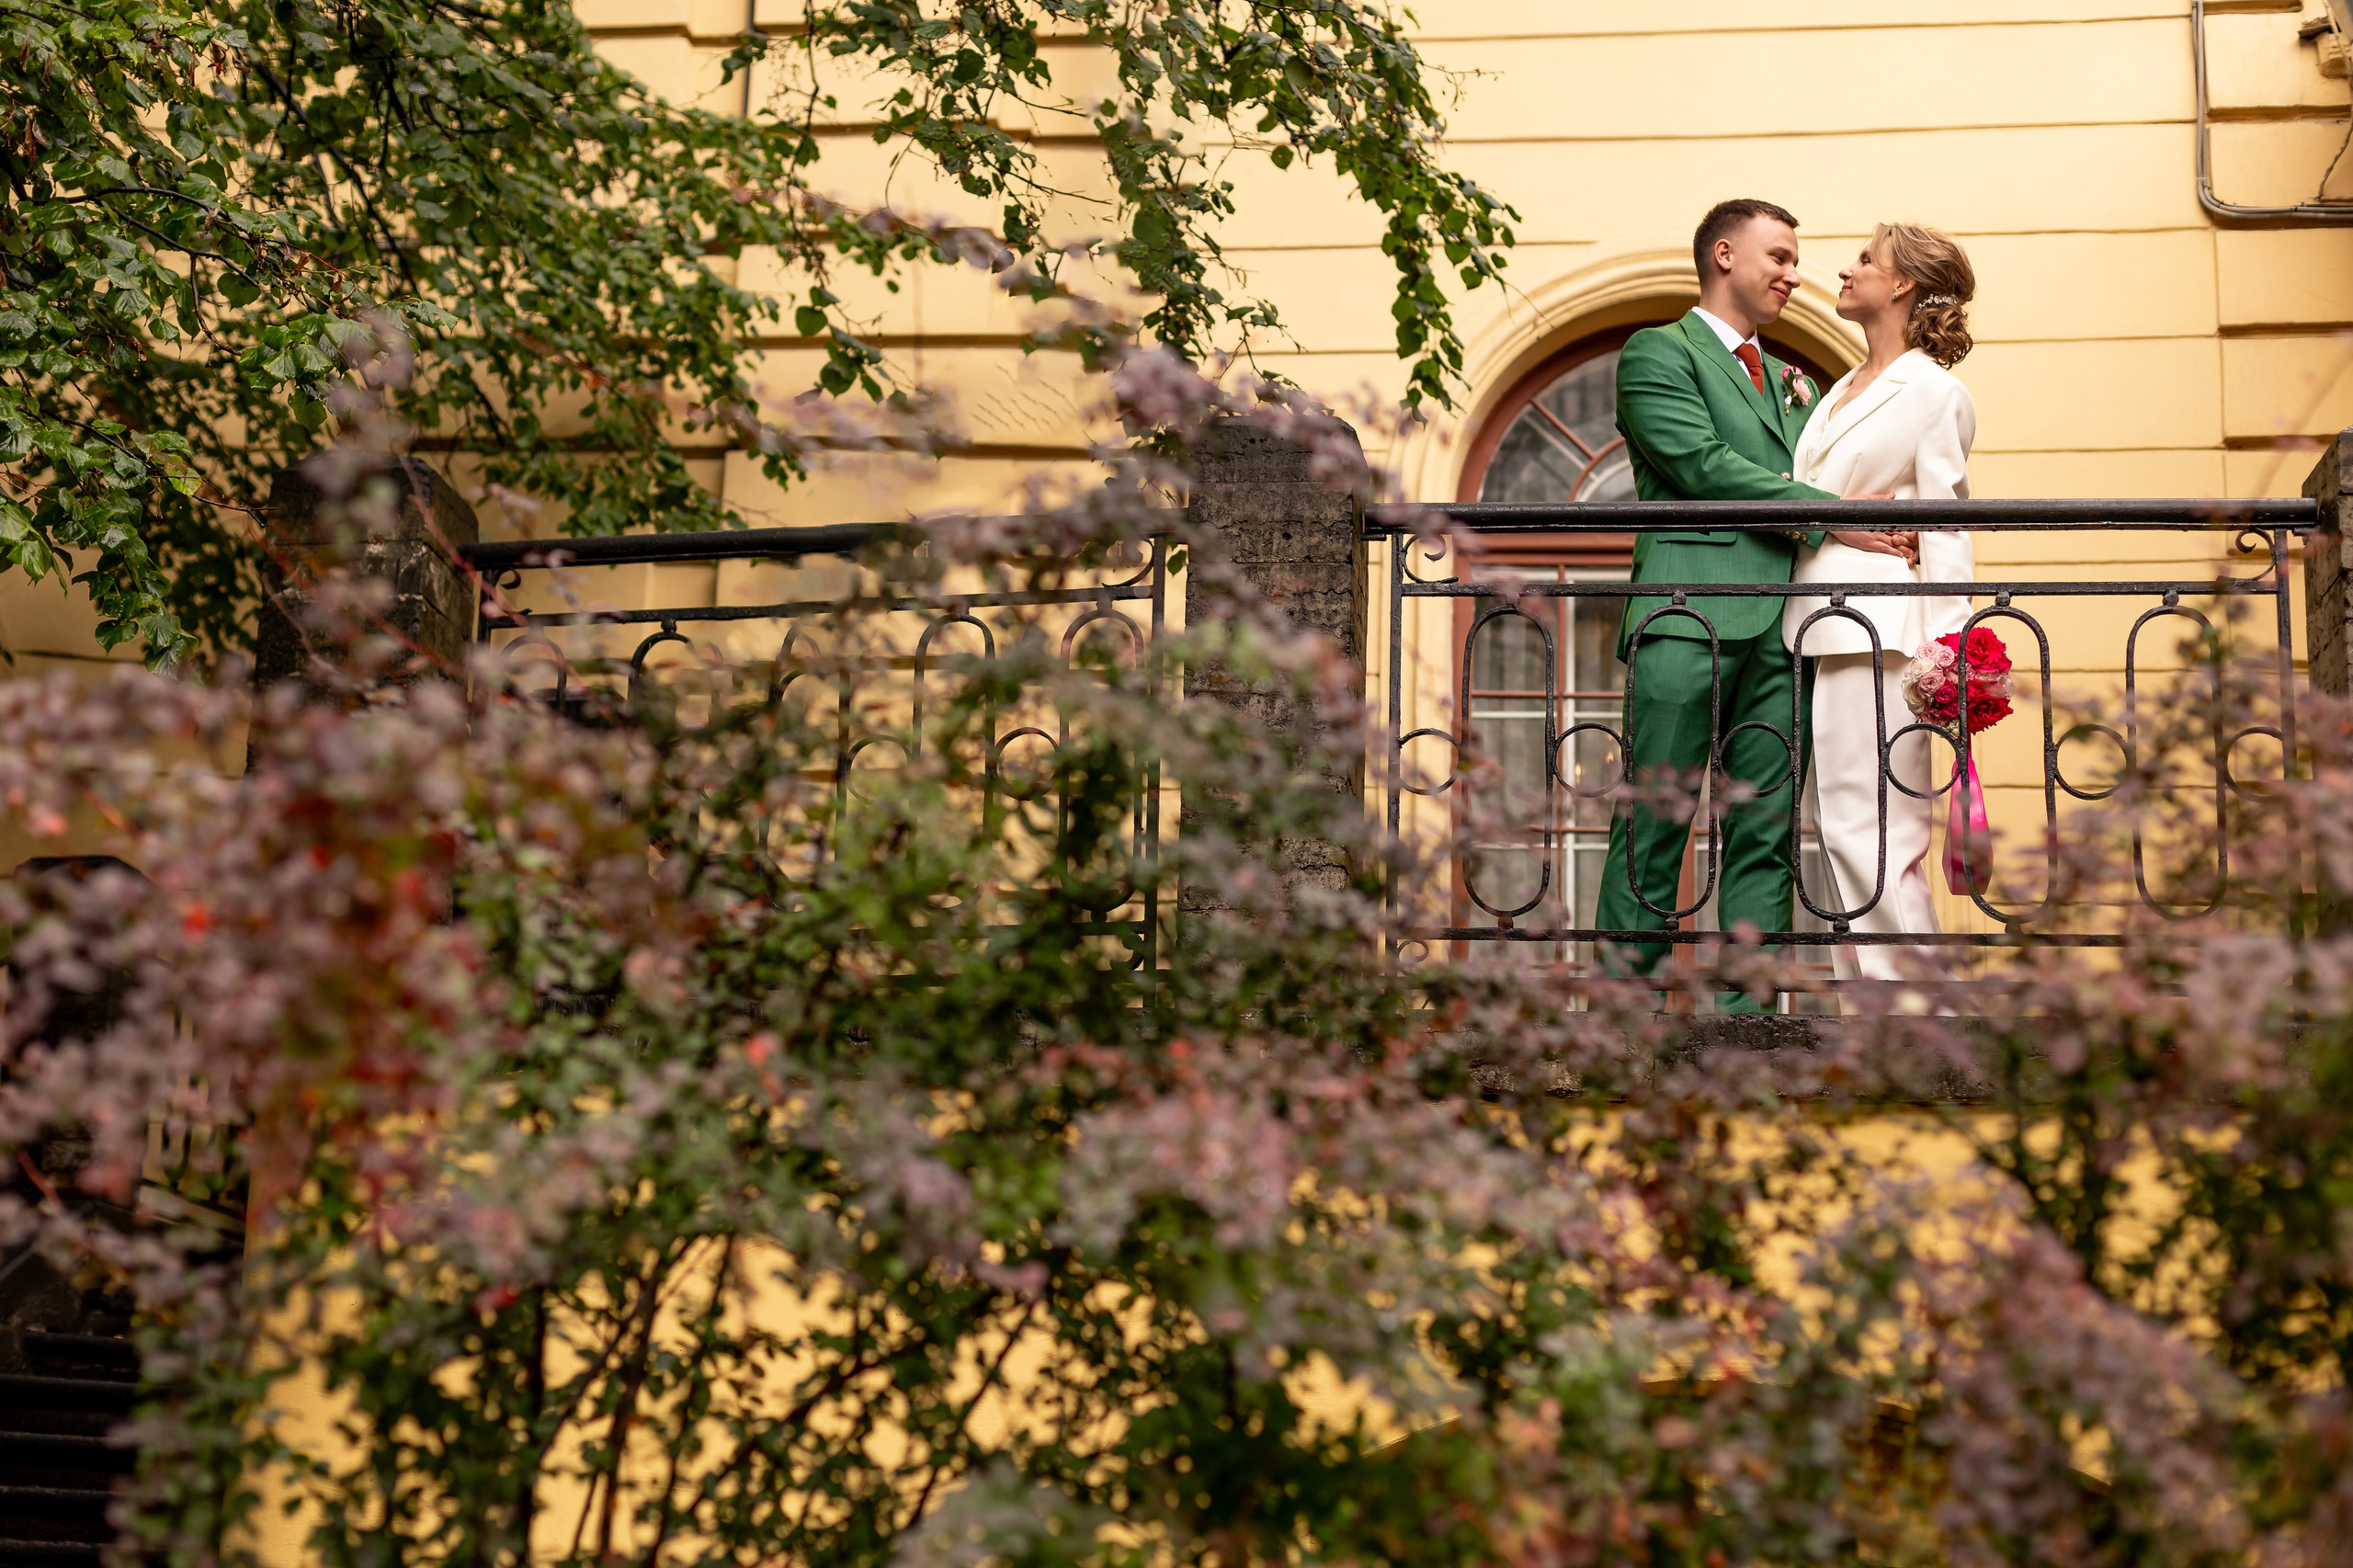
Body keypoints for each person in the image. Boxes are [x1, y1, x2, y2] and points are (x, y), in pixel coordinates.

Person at [1599, 198, 1915, 1011]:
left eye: (1795, 258)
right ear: (1725, 255)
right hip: (1684, 613)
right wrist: (1839, 513)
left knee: (1766, 827)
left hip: (1783, 625)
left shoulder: (1792, 382)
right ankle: (1622, 1012)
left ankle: (1745, 1018)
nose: (1793, 274)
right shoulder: (1656, 353)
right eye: (1778, 257)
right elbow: (1699, 464)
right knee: (1656, 816)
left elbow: (1822, 476)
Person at [1780, 222, 1978, 986]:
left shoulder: (1935, 393)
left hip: (1885, 634)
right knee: (1838, 831)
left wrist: (1951, 652)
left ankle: (1926, 1017)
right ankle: (1870, 1011)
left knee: (1878, 833)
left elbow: (1948, 526)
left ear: (1901, 286)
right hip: (1817, 624)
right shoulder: (1837, 389)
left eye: (1865, 259)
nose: (1846, 268)